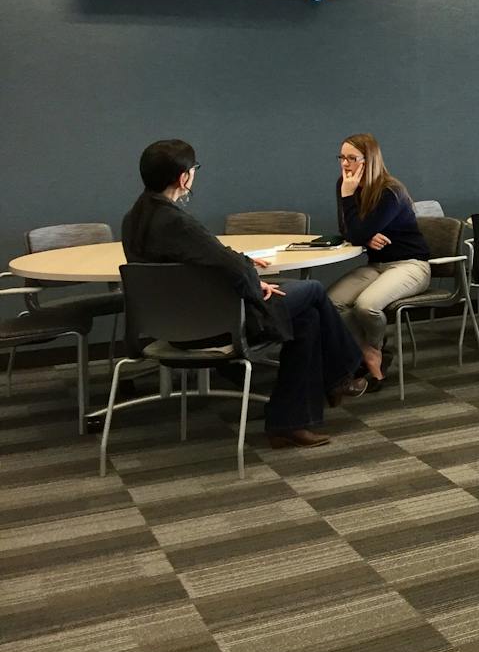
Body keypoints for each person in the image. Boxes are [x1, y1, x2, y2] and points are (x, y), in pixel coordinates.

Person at [121, 139, 365, 449]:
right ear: (184, 177)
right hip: (212, 326)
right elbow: (230, 269)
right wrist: (253, 281)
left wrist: (244, 265)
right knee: (314, 291)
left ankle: (289, 424)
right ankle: (344, 373)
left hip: (172, 325)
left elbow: (204, 260)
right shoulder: (176, 221)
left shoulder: (135, 218)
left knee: (308, 320)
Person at [326, 133, 430, 381]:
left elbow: (357, 231)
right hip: (376, 265)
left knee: (366, 305)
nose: (345, 163)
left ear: (369, 160)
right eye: (342, 157)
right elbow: (348, 231)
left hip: (411, 265)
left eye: (352, 158)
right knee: (329, 303)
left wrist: (362, 231)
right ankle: (365, 350)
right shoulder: (346, 185)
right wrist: (365, 234)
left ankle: (374, 348)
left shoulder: (390, 191)